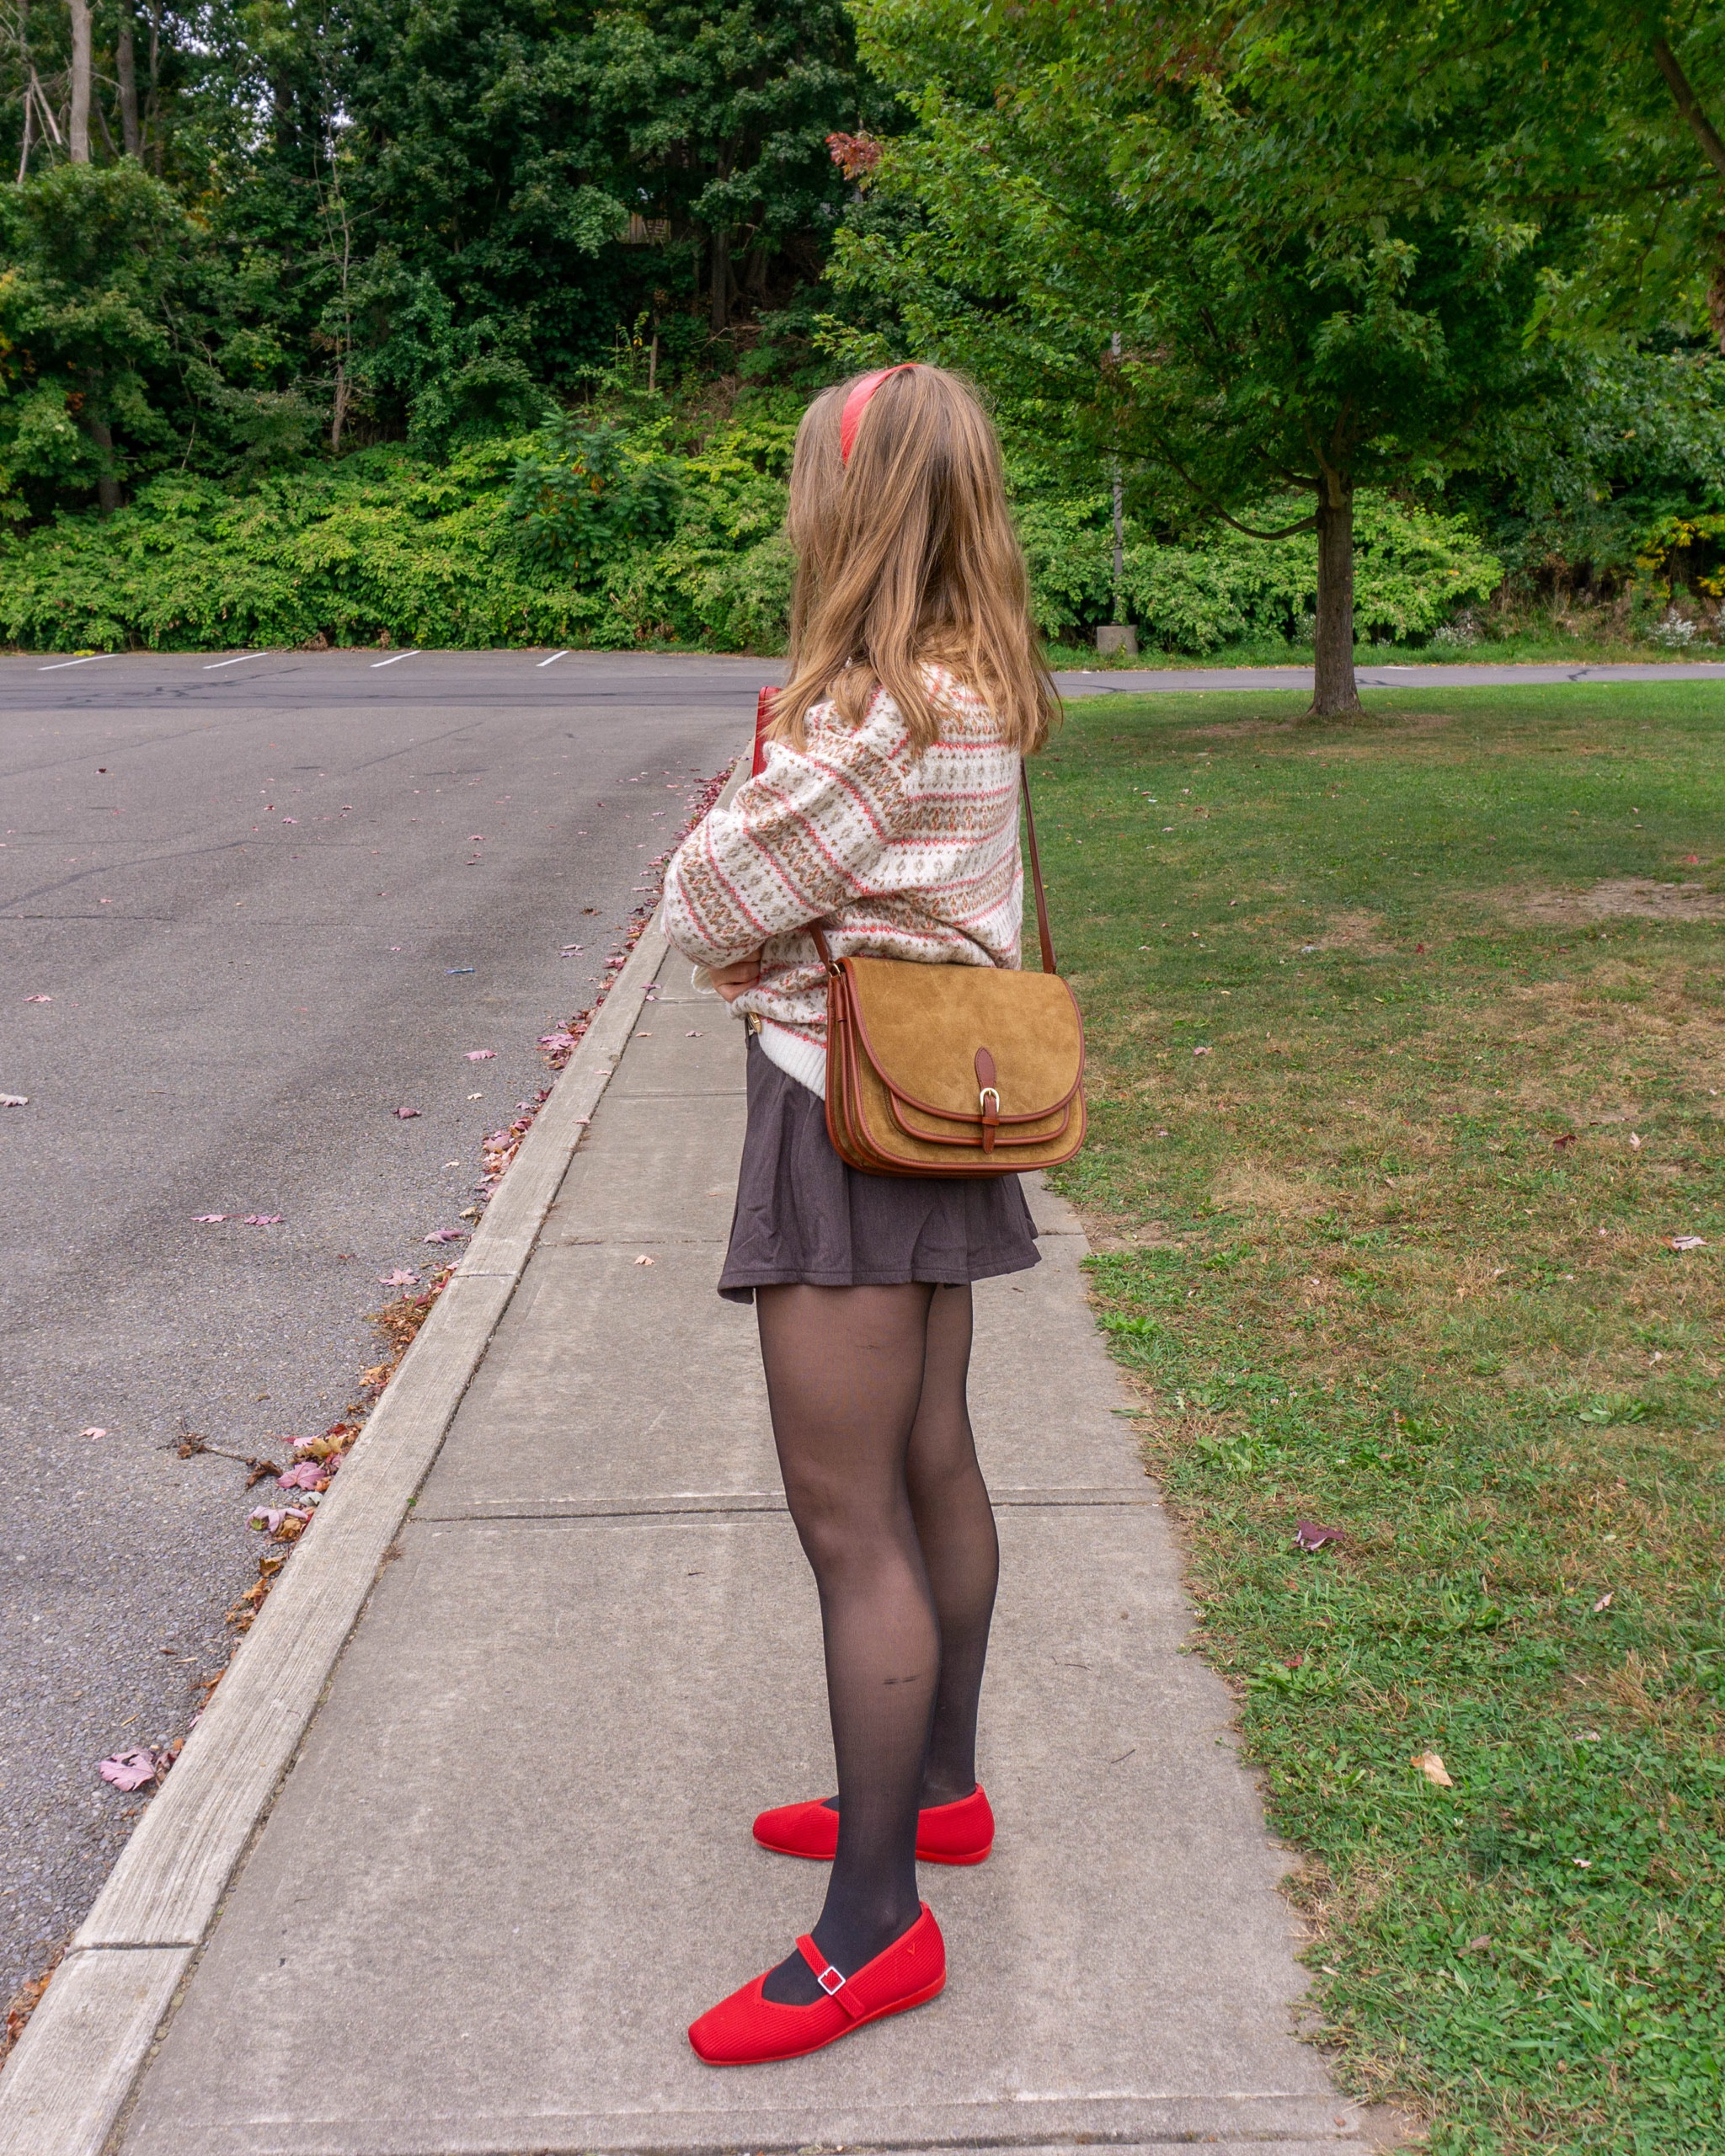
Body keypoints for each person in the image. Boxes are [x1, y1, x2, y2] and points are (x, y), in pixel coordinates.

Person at [661, 362, 1057, 2067]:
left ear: (855, 503)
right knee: (929, 1462)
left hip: (843, 1111)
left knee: (852, 1522)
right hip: (936, 1101)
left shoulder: (879, 711)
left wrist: (746, 877)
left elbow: (706, 900)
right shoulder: (982, 679)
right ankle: (940, 1788)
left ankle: (874, 1925)